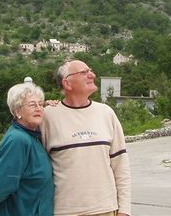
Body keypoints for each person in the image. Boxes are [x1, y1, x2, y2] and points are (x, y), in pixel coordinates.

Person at [41, 60, 131, 216]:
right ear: (67, 83)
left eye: (90, 70)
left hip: (105, 209)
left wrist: (124, 210)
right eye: (84, 72)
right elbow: (34, 163)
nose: (92, 75)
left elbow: (121, 165)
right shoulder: (48, 116)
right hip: (64, 211)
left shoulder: (106, 113)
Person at [0, 82, 54, 216]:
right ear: (17, 111)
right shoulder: (18, 139)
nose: (38, 108)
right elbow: (5, 182)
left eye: (41, 104)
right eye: (32, 105)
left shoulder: (33, 136)